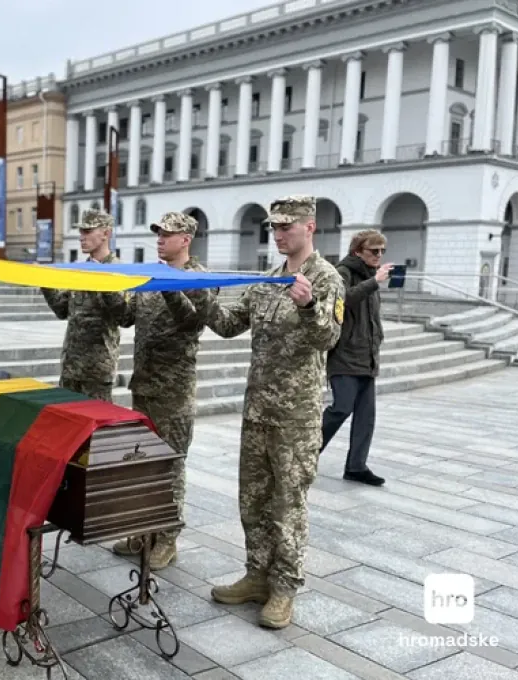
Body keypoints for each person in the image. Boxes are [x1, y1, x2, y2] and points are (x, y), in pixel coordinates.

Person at [184, 195, 343, 629]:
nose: (277, 234)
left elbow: (328, 338)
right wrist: (200, 296)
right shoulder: (267, 282)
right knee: (253, 500)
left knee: (287, 504)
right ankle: (257, 575)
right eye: (273, 227)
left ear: (309, 227)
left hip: (297, 416)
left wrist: (309, 305)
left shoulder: (326, 279)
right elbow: (229, 324)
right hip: (258, 410)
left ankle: (285, 588)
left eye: (286, 227)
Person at [108, 211, 214, 569]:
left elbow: (192, 321)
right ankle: (142, 530)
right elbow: (125, 317)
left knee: (170, 465)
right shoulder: (152, 273)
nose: (159, 239)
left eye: (167, 234)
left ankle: (167, 538)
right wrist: (106, 288)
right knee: (142, 462)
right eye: (158, 233)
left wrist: (166, 286)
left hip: (174, 391)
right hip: (145, 386)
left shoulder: (199, 278)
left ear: (185, 239)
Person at [321, 229, 393, 487]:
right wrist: (375, 282)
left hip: (367, 355)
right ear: (357, 252)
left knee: (366, 414)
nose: (379, 255)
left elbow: (371, 318)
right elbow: (343, 300)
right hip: (344, 354)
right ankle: (305, 454)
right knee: (341, 407)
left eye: (382, 251)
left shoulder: (371, 276)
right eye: (374, 251)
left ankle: (356, 466)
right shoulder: (343, 272)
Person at [39, 208, 122, 401]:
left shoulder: (118, 271)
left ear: (106, 233)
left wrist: (102, 282)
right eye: (80, 232)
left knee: (94, 428)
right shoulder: (80, 270)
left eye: (87, 231)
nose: (81, 238)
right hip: (71, 368)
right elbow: (62, 309)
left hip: (97, 370)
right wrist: (45, 282)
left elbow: (123, 315)